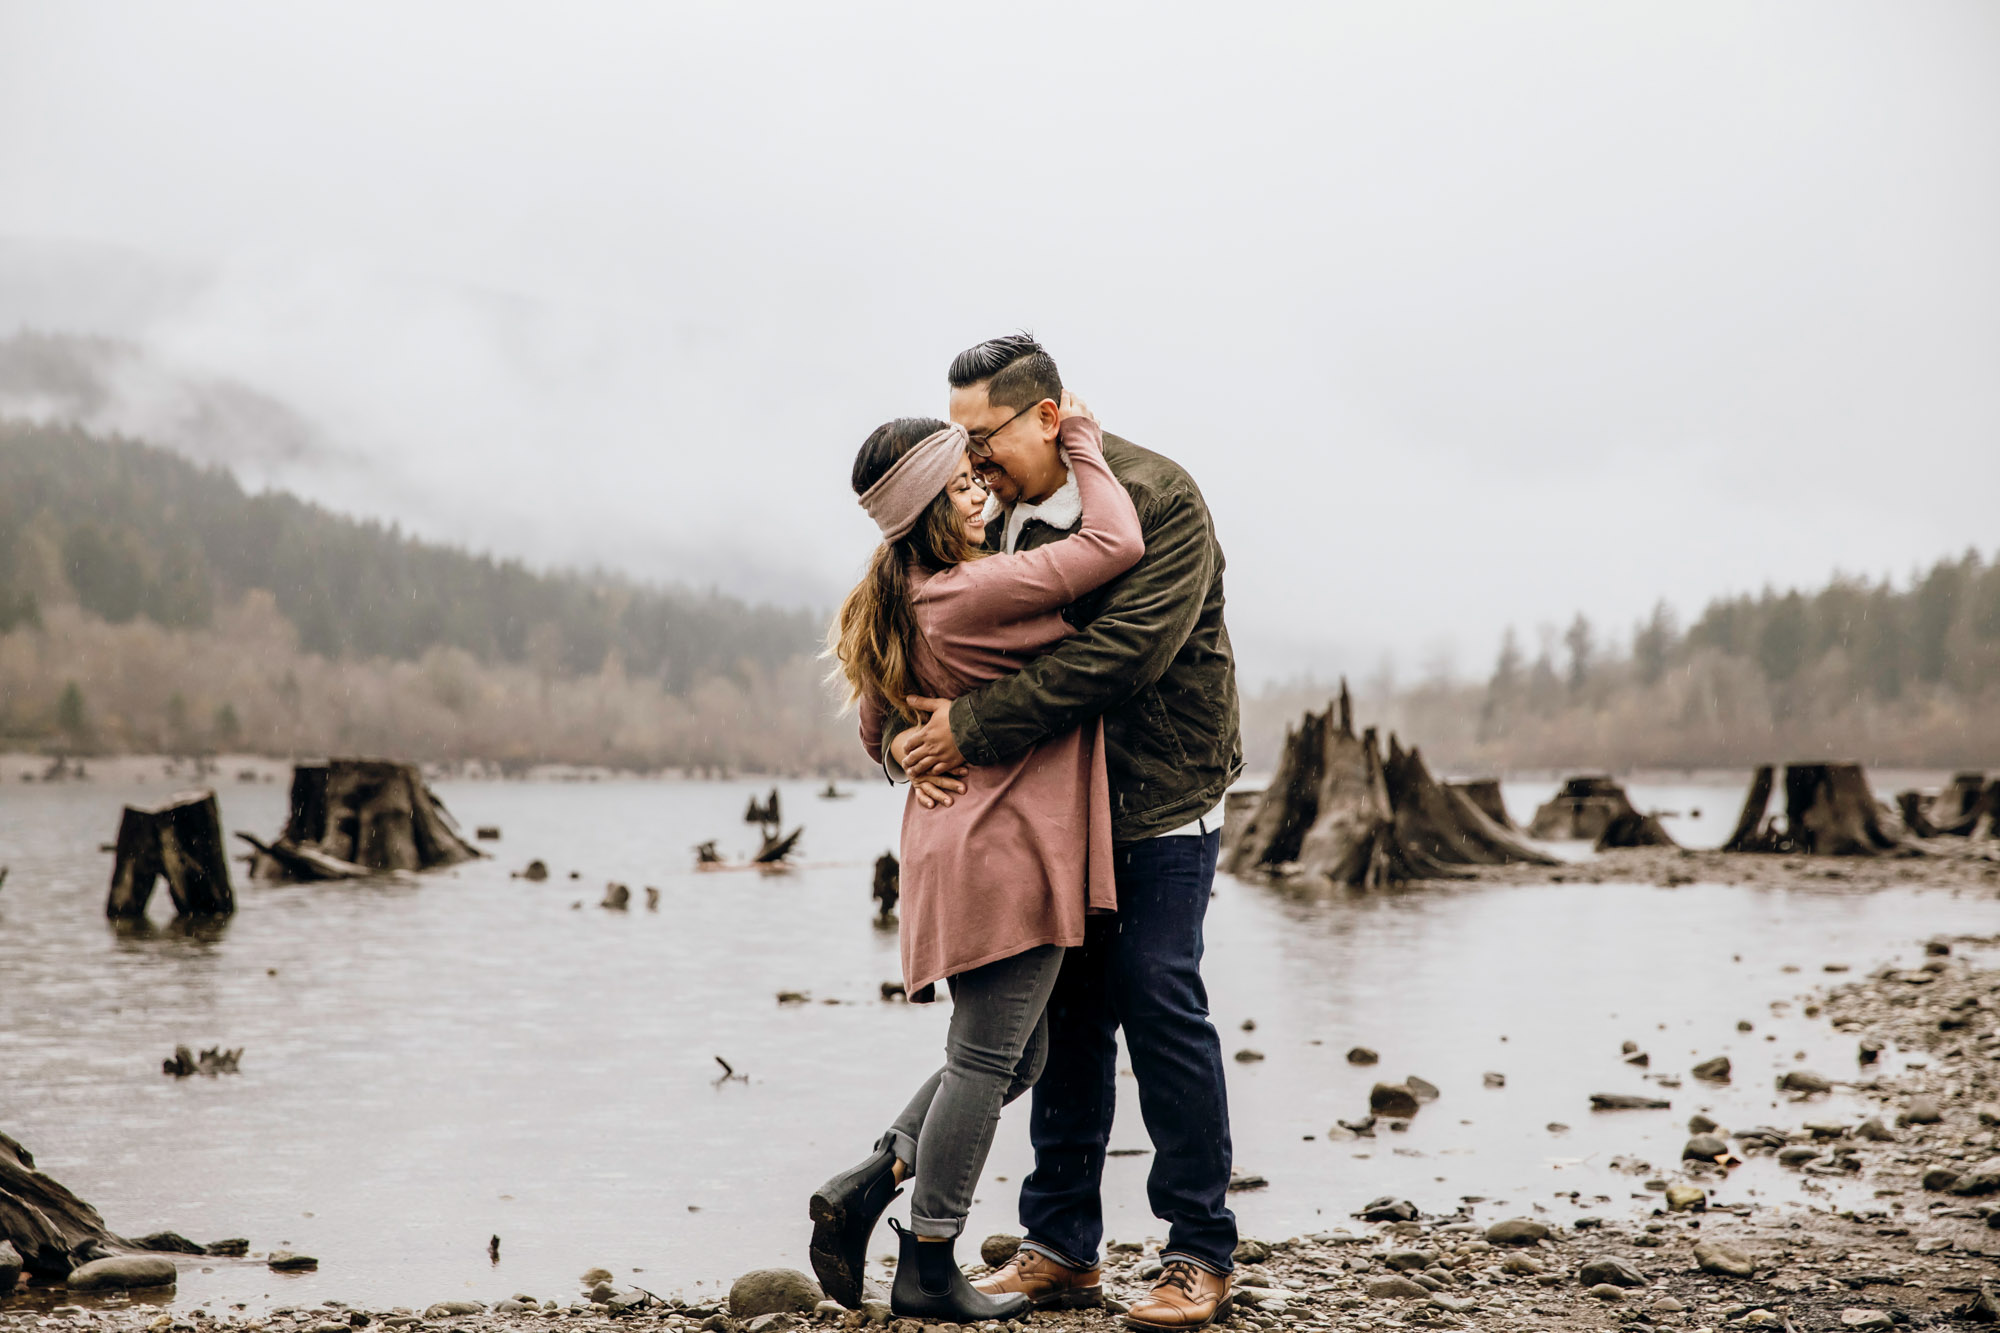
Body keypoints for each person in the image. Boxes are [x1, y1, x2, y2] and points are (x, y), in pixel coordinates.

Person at [890, 334, 1243, 1332]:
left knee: (1158, 998)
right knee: (1070, 1020)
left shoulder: (1157, 498)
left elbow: (1119, 659)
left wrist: (965, 728)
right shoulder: (987, 513)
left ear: (1045, 416)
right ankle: (1059, 1249)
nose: (968, 459)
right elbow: (929, 638)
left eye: (980, 434)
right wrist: (908, 745)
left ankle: (1196, 1251)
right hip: (1049, 819)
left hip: (1160, 794)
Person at [810, 396, 1141, 1323]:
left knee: (1012, 1056)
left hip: (960, 850)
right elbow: (1116, 545)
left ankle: (871, 1179)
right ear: (922, 511)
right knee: (989, 1058)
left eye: (974, 478)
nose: (980, 498)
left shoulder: (901, 594)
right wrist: (1081, 440)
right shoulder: (975, 589)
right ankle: (927, 1259)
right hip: (1008, 852)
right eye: (960, 487)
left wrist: (904, 755)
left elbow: (876, 735)